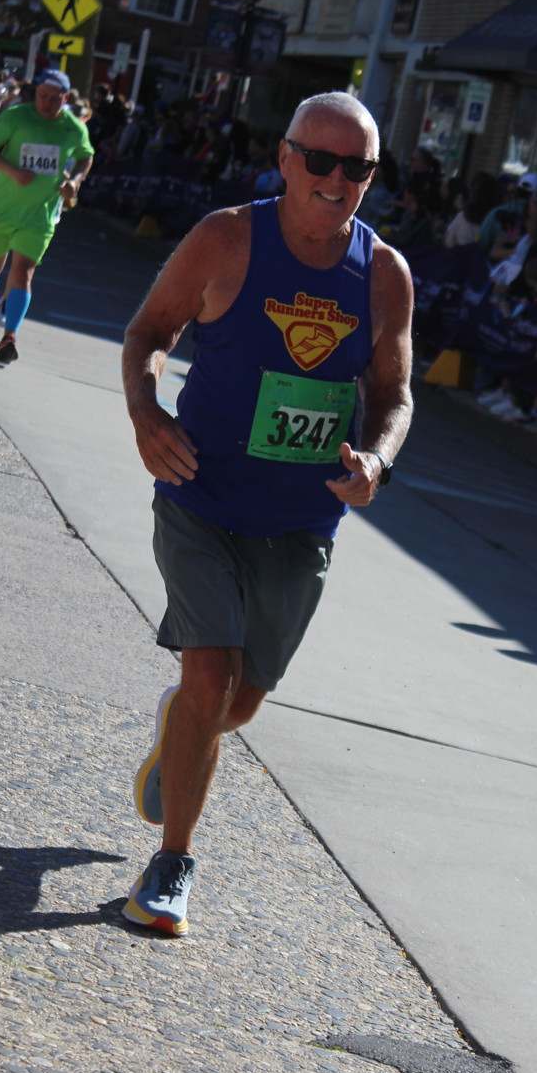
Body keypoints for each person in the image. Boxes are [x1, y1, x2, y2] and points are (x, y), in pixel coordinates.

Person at [121, 91, 414, 936]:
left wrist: (378, 461)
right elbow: (149, 334)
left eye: (355, 167)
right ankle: (172, 864)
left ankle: (181, 732)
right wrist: (146, 414)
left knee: (239, 702)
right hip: (201, 494)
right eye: (318, 160)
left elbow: (393, 394)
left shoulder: (384, 273)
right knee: (210, 674)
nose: (334, 179)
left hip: (302, 518)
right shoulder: (226, 239)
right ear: (285, 159)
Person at [0, 68, 93, 364]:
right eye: (43, 95)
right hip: (3, 208)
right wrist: (12, 171)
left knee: (24, 271)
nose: (46, 102)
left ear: (65, 98)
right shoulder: (16, 117)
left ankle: (9, 337)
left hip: (40, 214)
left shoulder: (73, 128)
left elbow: (86, 156)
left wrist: (75, 181)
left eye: (54, 97)